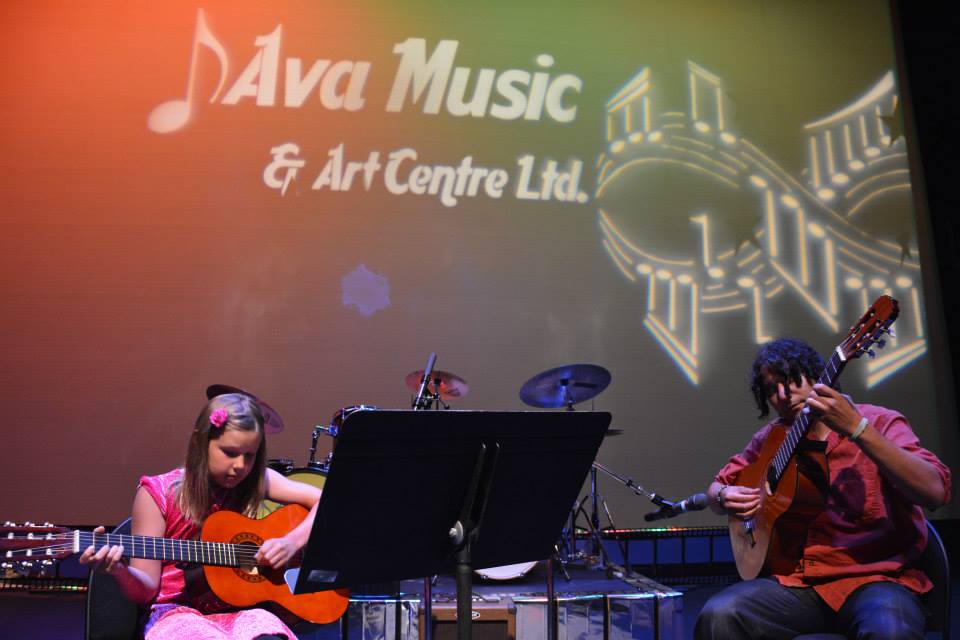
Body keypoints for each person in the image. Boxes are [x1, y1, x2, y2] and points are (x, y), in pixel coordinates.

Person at [695, 338, 951, 640]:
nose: (782, 395)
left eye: (790, 381)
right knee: (721, 614)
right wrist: (724, 496)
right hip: (799, 585)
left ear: (819, 376)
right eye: (770, 390)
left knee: (889, 631)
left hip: (876, 579)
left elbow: (935, 492)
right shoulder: (773, 438)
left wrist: (858, 430)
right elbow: (716, 490)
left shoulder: (879, 421)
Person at [80, 392, 323, 640]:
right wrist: (120, 571)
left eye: (249, 456)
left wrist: (290, 541)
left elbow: (324, 503)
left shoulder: (254, 481)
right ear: (201, 443)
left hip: (242, 610)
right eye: (229, 452)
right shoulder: (157, 494)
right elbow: (146, 591)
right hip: (176, 613)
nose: (240, 465)